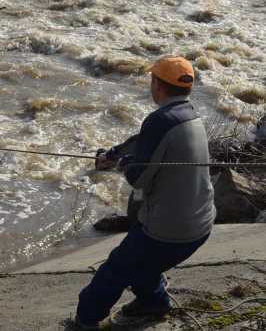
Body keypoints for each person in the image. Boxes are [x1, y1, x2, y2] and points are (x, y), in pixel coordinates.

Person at [72, 55, 216, 330]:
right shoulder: (190, 114)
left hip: (170, 232)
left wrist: (123, 165)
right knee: (141, 260)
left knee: (114, 269)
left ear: (156, 84)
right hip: (201, 223)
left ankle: (85, 320)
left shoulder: (159, 120)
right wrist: (112, 154)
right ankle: (154, 302)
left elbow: (138, 178)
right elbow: (142, 142)